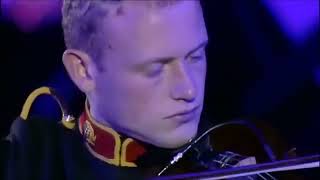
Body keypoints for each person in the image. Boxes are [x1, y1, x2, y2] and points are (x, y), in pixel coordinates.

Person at [1, 0, 211, 179]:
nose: (189, 90)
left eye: (196, 56)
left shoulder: (226, 148)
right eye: (154, 70)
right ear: (82, 71)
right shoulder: (29, 164)